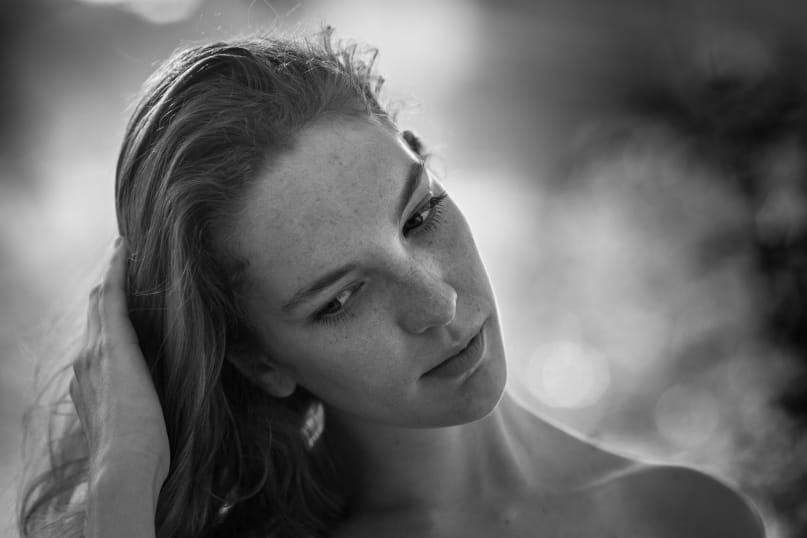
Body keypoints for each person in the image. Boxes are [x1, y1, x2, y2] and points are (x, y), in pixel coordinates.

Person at [19, 30, 767, 538]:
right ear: (259, 360)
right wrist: (122, 484)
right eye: (342, 298)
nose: (437, 302)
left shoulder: (681, 517)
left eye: (420, 216)